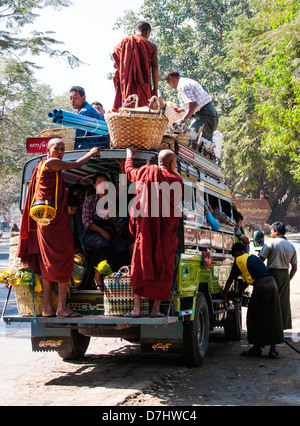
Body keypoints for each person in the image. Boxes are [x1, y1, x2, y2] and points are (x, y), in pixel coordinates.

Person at [17, 138, 100, 318]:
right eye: (57, 148)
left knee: (47, 264)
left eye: (63, 149)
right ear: (48, 150)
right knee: (64, 260)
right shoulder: (50, 163)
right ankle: (61, 308)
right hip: (53, 224)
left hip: (46, 222)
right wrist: (91, 153)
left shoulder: (40, 166)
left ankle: (48, 308)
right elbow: (77, 164)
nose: (61, 152)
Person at [124, 147, 183, 317]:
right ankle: (155, 310)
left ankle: (136, 309)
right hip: (165, 236)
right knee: (163, 269)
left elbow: (129, 172)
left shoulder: (145, 172)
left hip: (145, 232)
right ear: (172, 163)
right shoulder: (176, 179)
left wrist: (129, 155)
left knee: (140, 267)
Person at [223, 243, 284, 359]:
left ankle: (256, 349)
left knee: (254, 316)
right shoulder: (253, 258)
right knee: (273, 315)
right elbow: (250, 277)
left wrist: (225, 293)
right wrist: (240, 291)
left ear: (237, 252)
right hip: (272, 284)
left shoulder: (239, 260)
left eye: (234, 254)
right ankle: (272, 350)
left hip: (261, 287)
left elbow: (231, 279)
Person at [82, 173, 130, 289]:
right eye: (99, 183)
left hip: (112, 232)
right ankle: (98, 274)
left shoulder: (112, 198)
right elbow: (87, 222)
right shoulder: (90, 201)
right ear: (94, 186)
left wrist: (123, 167)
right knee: (102, 244)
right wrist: (101, 231)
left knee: (122, 247)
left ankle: (119, 279)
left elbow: (123, 189)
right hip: (93, 233)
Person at [112, 21, 159, 112]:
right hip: (143, 85)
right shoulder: (151, 45)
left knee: (127, 109)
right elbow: (155, 67)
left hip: (126, 85)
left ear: (134, 31)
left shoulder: (124, 42)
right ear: (147, 32)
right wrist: (155, 89)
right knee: (144, 112)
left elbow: (115, 65)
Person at [259, 222, 297, 330]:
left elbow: (260, 259)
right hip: (285, 274)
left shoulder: (271, 243)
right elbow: (294, 268)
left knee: (269, 301)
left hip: (272, 274)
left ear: (277, 232)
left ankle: (269, 328)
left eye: (271, 231)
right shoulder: (291, 246)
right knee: (282, 302)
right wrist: (287, 278)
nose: (271, 233)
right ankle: (281, 327)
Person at [163, 69, 218, 142]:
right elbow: (196, 102)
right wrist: (181, 110)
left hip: (204, 116)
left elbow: (193, 104)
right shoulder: (188, 81)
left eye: (168, 83)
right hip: (211, 114)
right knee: (205, 147)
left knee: (190, 140)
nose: (170, 86)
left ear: (171, 78)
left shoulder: (182, 86)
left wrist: (182, 120)